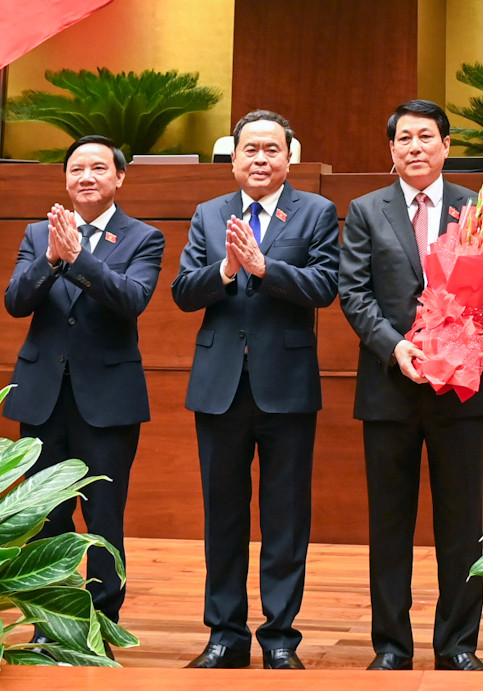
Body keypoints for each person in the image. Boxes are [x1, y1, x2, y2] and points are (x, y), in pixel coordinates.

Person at [337, 100, 483, 672]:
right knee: (389, 523)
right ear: (391, 151)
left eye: (426, 137)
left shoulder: (477, 206)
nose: (415, 147)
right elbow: (354, 294)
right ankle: (390, 646)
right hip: (391, 386)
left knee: (461, 523)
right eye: (404, 139)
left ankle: (458, 645)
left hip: (459, 388)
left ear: (445, 145)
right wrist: (396, 347)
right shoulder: (366, 210)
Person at [172, 111, 341, 670]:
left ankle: (279, 636)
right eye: (250, 150)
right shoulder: (208, 213)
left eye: (271, 150)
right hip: (219, 385)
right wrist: (225, 269)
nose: (260, 160)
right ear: (234, 157)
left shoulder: (315, 211)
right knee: (223, 513)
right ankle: (224, 634)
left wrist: (266, 267)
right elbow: (182, 292)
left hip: (287, 386)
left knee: (285, 514)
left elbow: (324, 287)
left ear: (288, 157)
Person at [2, 135, 163, 629]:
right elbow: (15, 302)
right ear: (65, 179)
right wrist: (50, 258)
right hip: (43, 397)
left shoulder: (143, 237)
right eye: (76, 169)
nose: (86, 177)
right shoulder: (37, 234)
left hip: (107, 401)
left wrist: (78, 258)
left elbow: (131, 299)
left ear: (119, 177)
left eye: (97, 168)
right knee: (45, 517)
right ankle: (50, 623)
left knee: (103, 519)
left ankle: (99, 625)